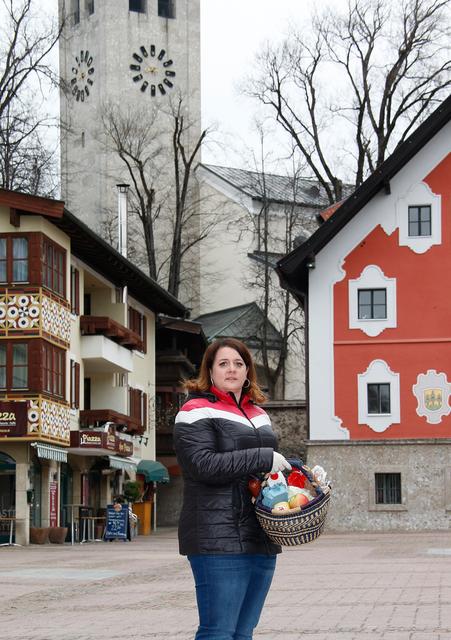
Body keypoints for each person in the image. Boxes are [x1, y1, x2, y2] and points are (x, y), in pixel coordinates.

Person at [174, 337, 292, 640]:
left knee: (243, 632)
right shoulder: (194, 410)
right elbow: (204, 465)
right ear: (210, 371)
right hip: (217, 537)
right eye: (223, 363)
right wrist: (264, 456)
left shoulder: (258, 414)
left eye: (239, 364)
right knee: (218, 631)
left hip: (260, 536)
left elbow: (264, 469)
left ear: (248, 371)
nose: (232, 370)